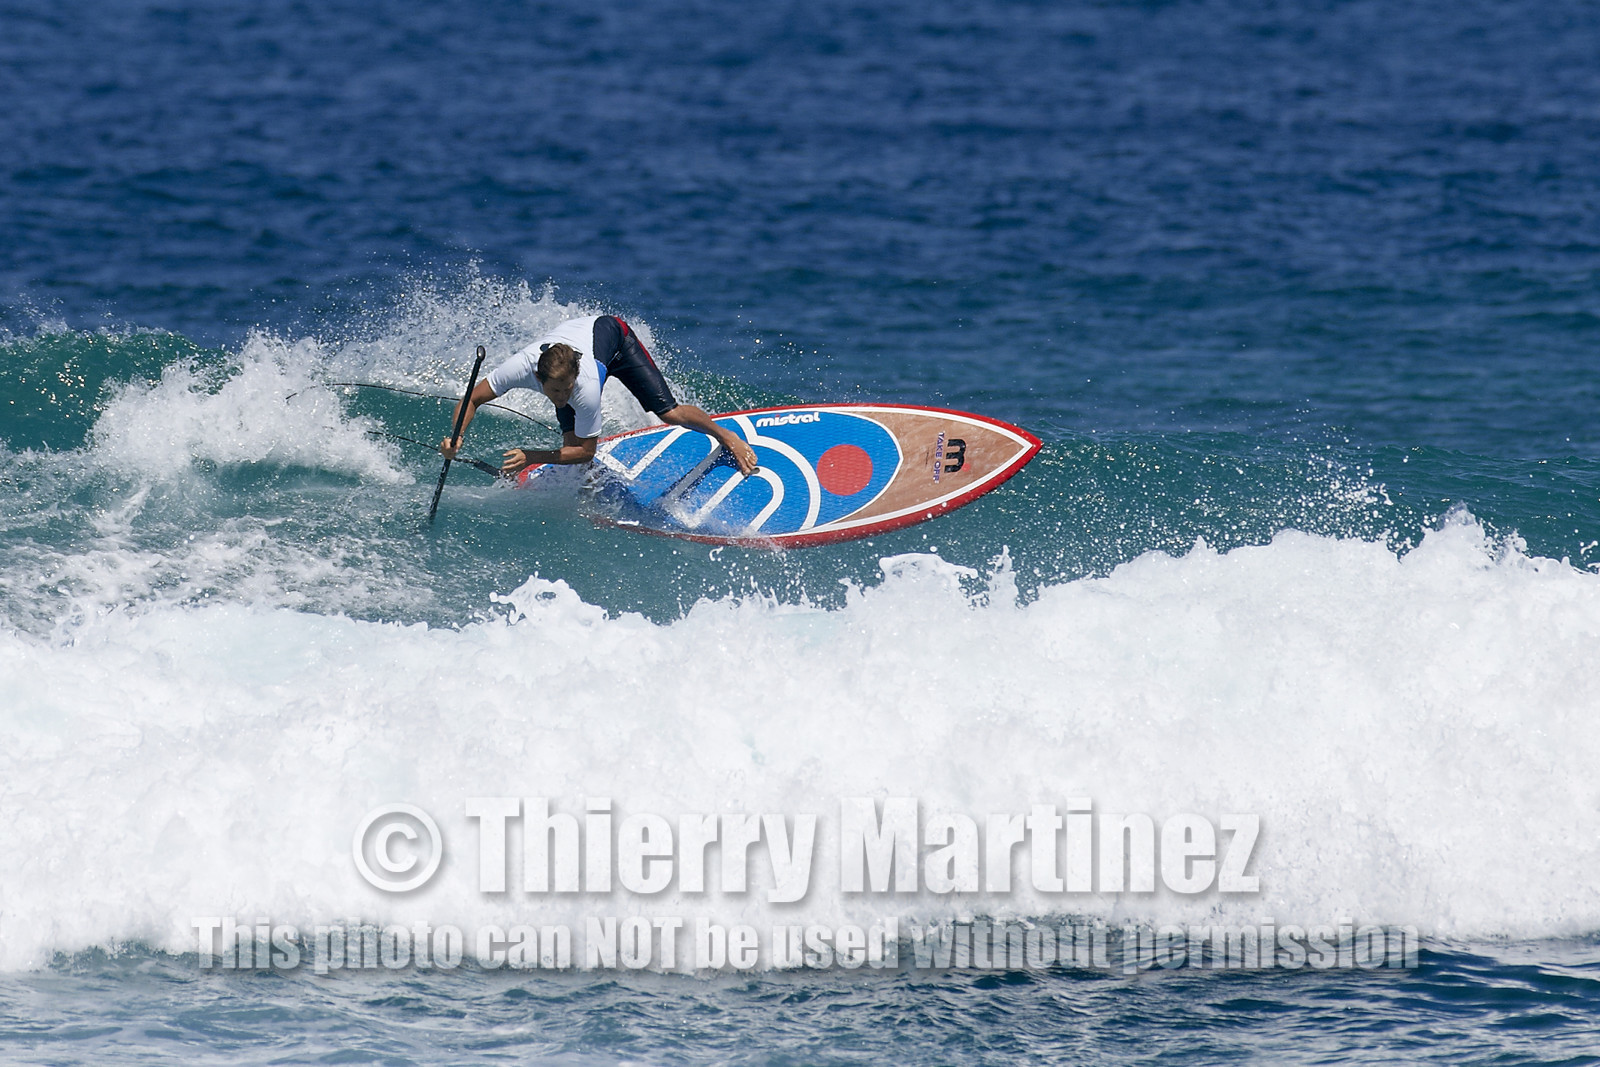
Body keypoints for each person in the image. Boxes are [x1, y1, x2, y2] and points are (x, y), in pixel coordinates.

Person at [439, 315, 758, 477]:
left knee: (668, 413)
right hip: (579, 344)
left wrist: (532, 456)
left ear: (575, 377)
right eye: (555, 391)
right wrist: (456, 437)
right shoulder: (521, 368)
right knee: (568, 443)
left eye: (567, 389)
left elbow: (586, 451)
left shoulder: (585, 386)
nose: (562, 397)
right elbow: (472, 399)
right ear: (537, 379)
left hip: (616, 339)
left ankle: (725, 435)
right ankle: (591, 486)